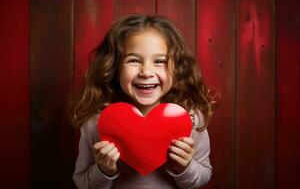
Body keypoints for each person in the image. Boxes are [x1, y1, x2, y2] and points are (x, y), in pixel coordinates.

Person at [71, 14, 218, 189]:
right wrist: (104, 170)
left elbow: (203, 176)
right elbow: (81, 181)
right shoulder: (97, 122)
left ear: (177, 67)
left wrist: (183, 167)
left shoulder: (190, 118)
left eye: (160, 61)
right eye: (133, 60)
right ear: (114, 67)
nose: (146, 71)